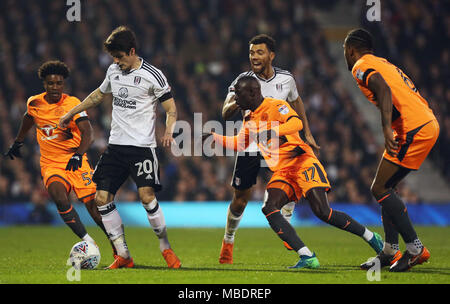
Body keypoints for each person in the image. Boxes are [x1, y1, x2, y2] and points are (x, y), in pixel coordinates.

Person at [203, 76, 384, 269]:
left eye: (238, 94)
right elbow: (240, 143)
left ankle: (372, 237)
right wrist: (215, 136)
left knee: (323, 212)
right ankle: (307, 256)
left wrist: (272, 130)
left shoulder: (277, 106)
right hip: (283, 171)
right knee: (269, 207)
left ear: (253, 93)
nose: (235, 99)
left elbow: (296, 123)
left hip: (302, 162)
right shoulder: (249, 119)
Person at [59, 26, 181, 269]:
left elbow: (171, 109)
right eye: (114, 57)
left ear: (132, 51)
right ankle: (123, 255)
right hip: (116, 147)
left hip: (142, 148)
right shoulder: (113, 70)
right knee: (101, 198)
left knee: (147, 197)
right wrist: (72, 112)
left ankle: (165, 247)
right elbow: (98, 95)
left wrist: (168, 130)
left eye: (120, 57)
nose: (116, 62)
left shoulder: (153, 75)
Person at [343, 28, 439, 272]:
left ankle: (416, 248)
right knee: (386, 188)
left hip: (412, 127)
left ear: (351, 50)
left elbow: (383, 89)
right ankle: (389, 250)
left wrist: (386, 129)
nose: (345, 55)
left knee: (380, 188)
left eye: (345, 51)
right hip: (421, 123)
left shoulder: (361, 65)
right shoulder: (382, 62)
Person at [219, 34, 320, 264]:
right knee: (240, 199)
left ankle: (286, 217)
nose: (254, 56)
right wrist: (238, 99)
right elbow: (224, 113)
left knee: (292, 176)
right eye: (252, 52)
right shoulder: (242, 80)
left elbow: (297, 101)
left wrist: (308, 132)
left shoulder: (286, 79)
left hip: (279, 145)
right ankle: (228, 239)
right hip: (251, 144)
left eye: (259, 52)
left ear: (271, 55)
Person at [4, 60, 112, 251]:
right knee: (59, 197)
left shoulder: (73, 103)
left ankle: (118, 247)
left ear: (64, 84)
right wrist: (18, 141)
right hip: (51, 163)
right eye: (50, 83)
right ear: (44, 84)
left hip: (76, 161)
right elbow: (28, 118)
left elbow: (89, 134)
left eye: (59, 83)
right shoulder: (34, 102)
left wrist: (78, 155)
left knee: (94, 208)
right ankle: (88, 241)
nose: (55, 87)